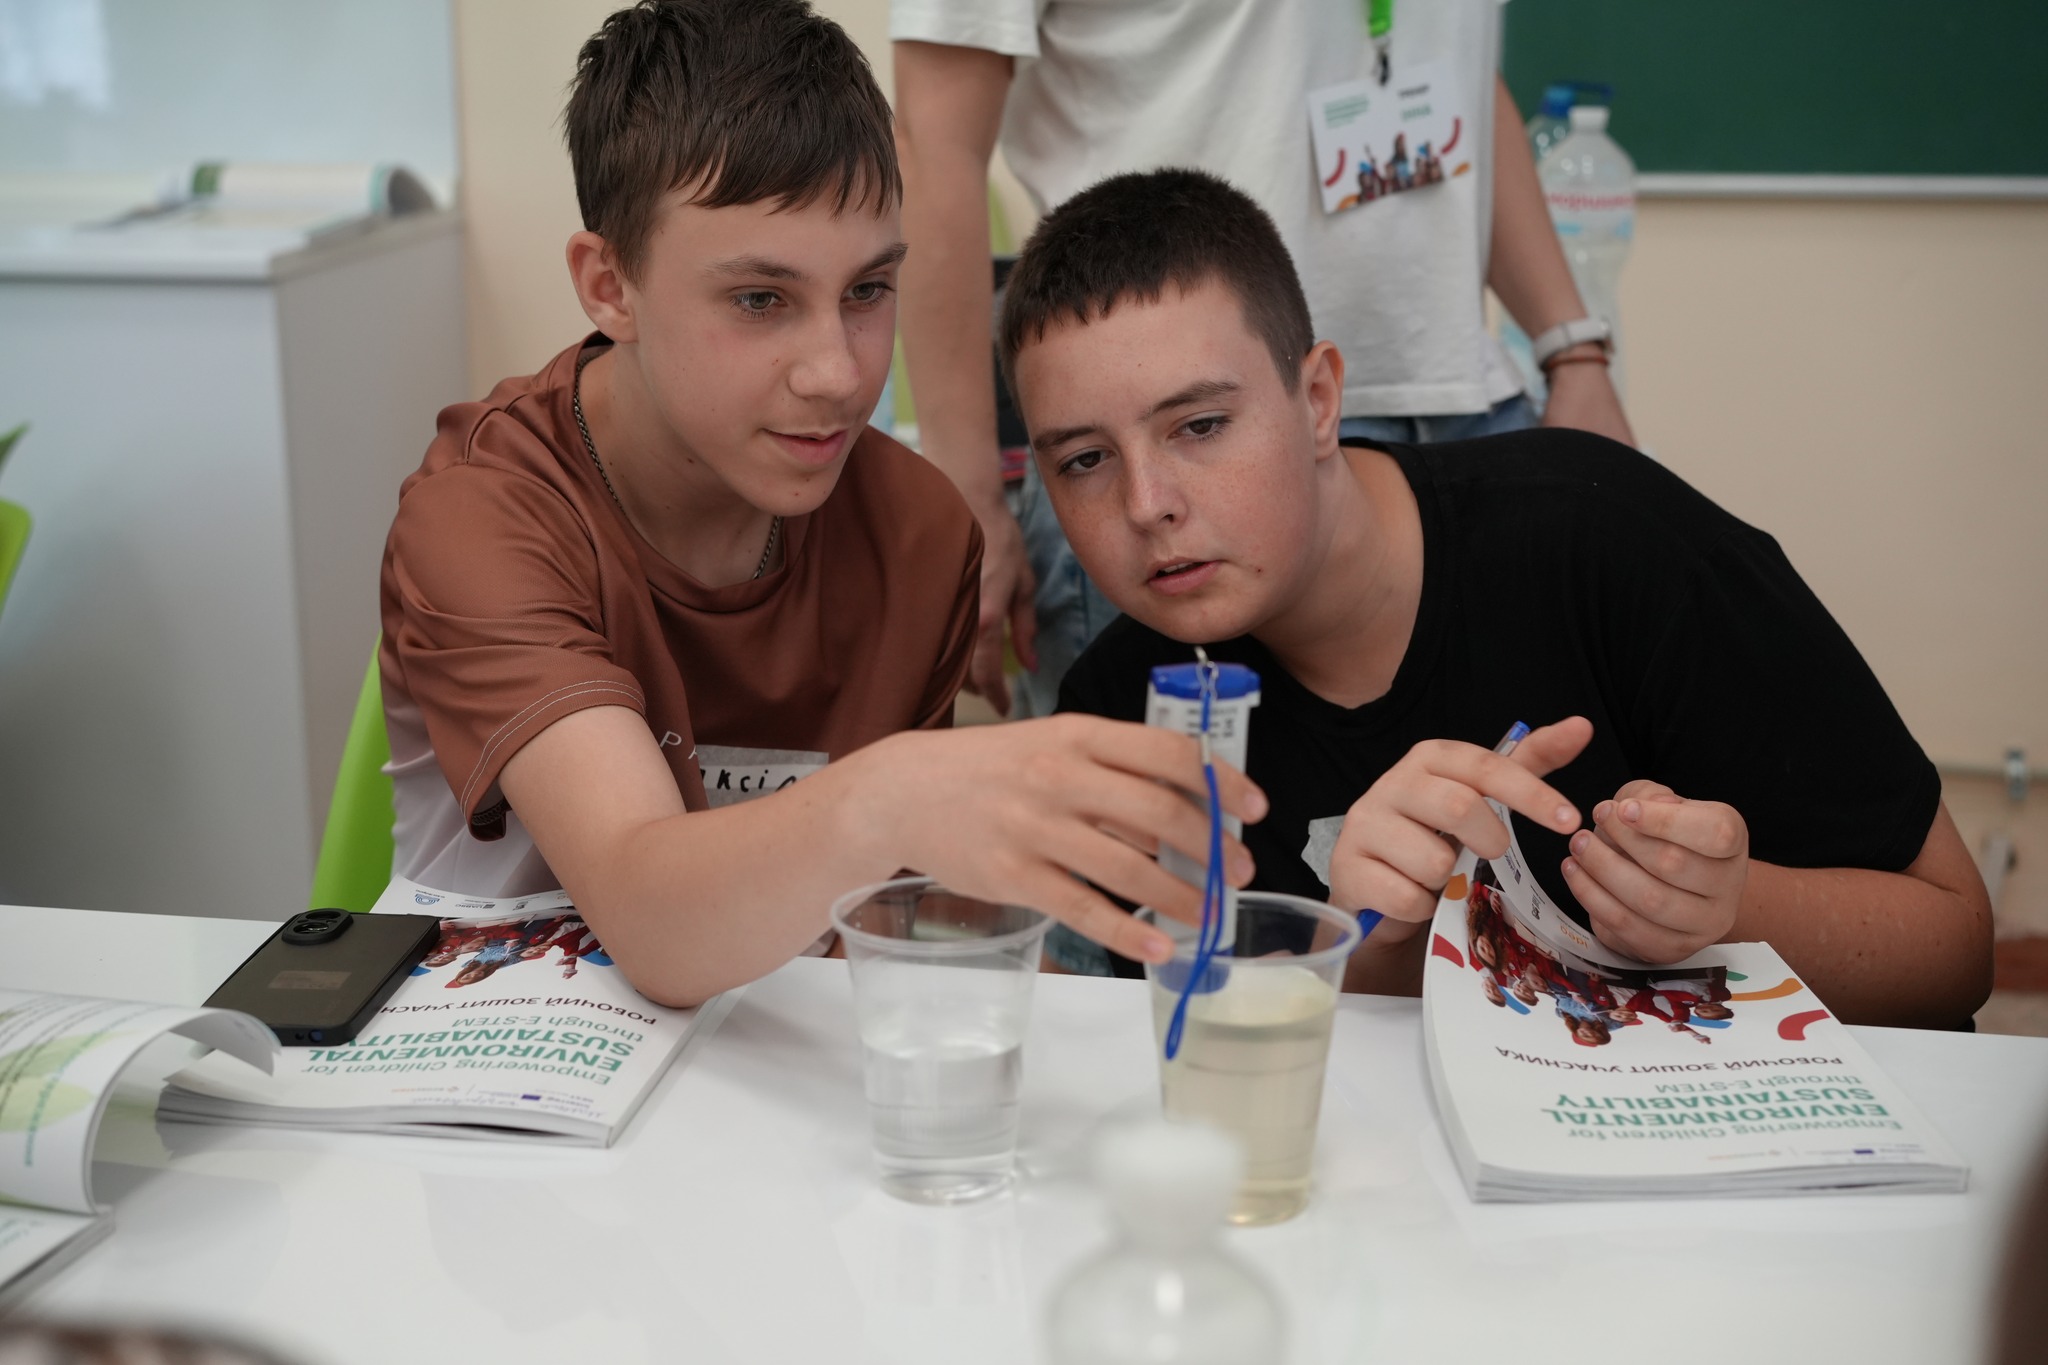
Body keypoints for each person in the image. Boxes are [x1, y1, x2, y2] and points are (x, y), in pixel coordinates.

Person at [378, 1, 1263, 1009]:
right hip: (487, 1063)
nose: (838, 373)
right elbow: (650, 915)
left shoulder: (918, 534)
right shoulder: (484, 513)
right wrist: (893, 797)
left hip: (777, 1063)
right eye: (761, 300)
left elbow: (878, 933)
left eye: (867, 290)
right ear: (610, 285)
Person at [999, 167, 1993, 1028]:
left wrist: (1723, 913)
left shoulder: (1603, 540)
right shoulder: (1120, 711)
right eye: (1084, 459)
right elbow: (1209, 1068)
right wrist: (1373, 955)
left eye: (1200, 426)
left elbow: (1956, 949)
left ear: (1318, 401)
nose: (1147, 504)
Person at [891, 0, 1635, 718]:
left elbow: (1457, 71)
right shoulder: (1148, 491)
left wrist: (1570, 348)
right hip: (1179, 430)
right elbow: (934, 144)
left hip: (1469, 404)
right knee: (1175, 803)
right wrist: (968, 503)